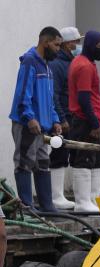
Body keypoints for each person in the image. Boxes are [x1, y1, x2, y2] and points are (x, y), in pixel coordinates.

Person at [8, 27, 63, 212]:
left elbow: (49, 99)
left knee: (42, 163)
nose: (58, 49)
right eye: (56, 45)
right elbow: (23, 93)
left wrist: (55, 120)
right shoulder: (30, 62)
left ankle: (47, 206)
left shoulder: (47, 67)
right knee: (24, 161)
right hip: (28, 125)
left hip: (43, 127)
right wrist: (29, 118)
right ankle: (27, 207)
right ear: (45, 42)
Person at [67, 30, 100, 214]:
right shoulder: (85, 66)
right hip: (85, 122)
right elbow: (83, 98)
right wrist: (94, 123)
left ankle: (92, 199)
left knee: (97, 160)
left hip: (91, 118)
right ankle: (83, 201)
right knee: (84, 159)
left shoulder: (84, 62)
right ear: (91, 46)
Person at [49, 26, 81, 210]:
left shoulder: (70, 62)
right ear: (67, 43)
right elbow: (56, 94)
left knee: (64, 154)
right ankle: (56, 196)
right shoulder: (57, 65)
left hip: (69, 116)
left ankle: (58, 195)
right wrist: (61, 118)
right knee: (58, 154)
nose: (78, 45)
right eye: (76, 42)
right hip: (63, 117)